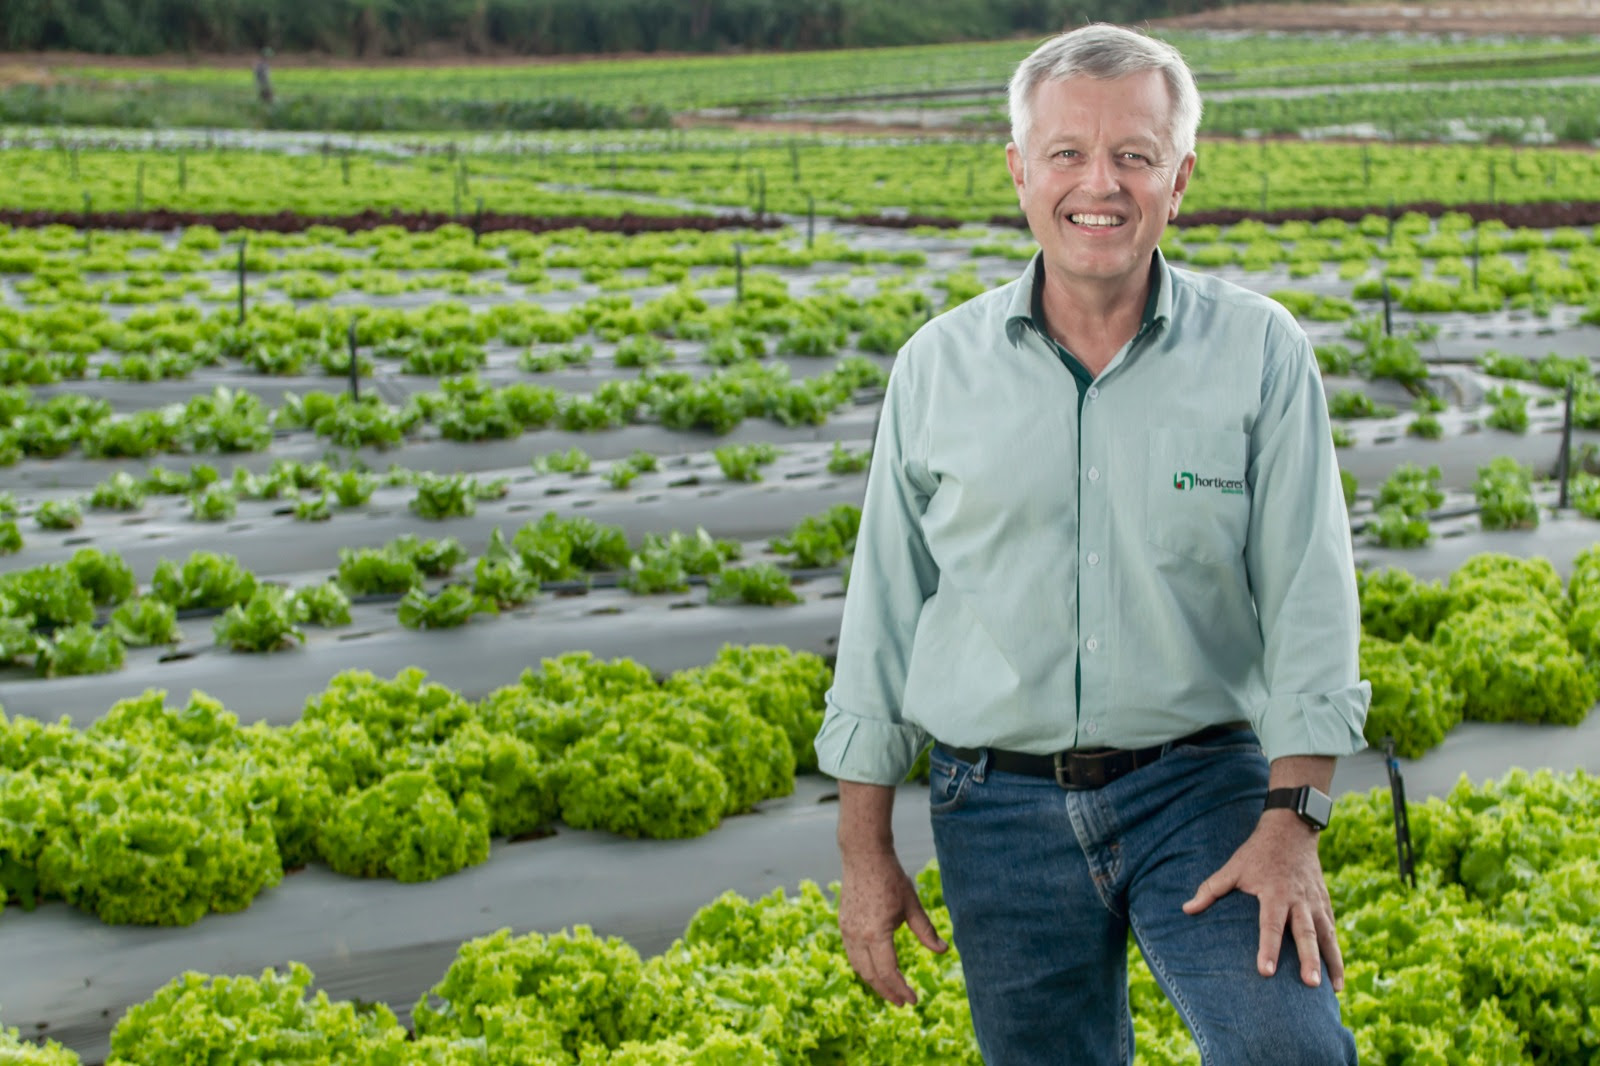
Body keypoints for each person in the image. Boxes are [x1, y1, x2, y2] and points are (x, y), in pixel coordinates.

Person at [814, 23, 1369, 1066]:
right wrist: (864, 851)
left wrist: (1292, 822)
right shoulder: (934, 367)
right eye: (1066, 153)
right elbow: (884, 613)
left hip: (1199, 786)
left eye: (1133, 154)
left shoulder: (1259, 352)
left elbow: (1309, 595)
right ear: (1019, 170)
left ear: (1181, 175)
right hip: (996, 804)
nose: (1097, 184)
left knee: (1286, 1050)